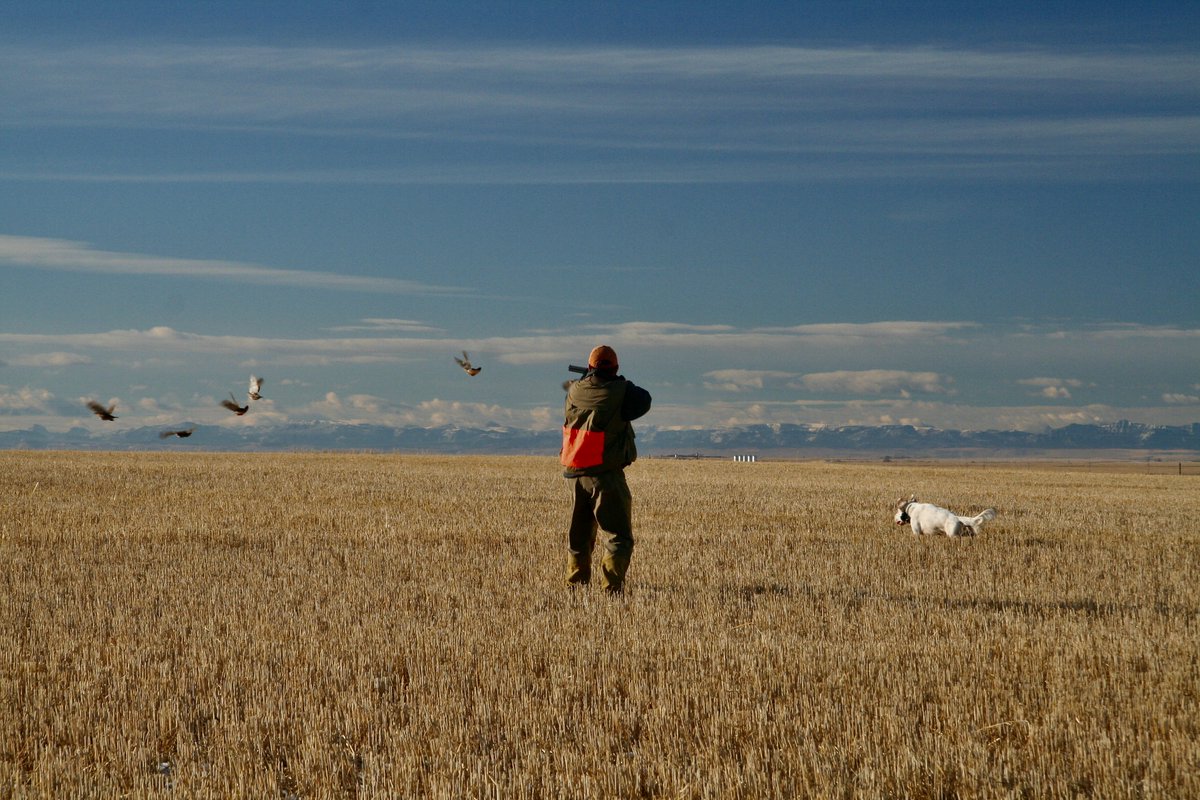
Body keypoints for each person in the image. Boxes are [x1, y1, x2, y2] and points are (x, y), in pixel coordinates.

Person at [560, 345, 652, 594]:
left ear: (589, 367)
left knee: (579, 535)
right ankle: (611, 589)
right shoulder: (620, 391)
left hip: (574, 472)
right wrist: (619, 382)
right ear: (616, 368)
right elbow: (644, 400)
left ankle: (575, 586)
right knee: (618, 535)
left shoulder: (574, 390)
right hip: (605, 475)